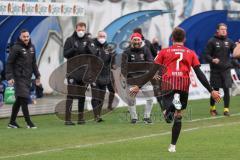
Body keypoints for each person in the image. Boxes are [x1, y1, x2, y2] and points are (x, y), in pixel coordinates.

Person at [130, 27, 221, 152]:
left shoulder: (164, 52)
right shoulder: (190, 53)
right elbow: (199, 73)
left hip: (168, 85)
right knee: (178, 115)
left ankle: (171, 106)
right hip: (183, 85)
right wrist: (211, 90)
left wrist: (138, 86)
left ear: (172, 38)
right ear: (184, 39)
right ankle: (173, 146)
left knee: (168, 117)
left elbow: (152, 71)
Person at [6, 29, 41, 129]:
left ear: (29, 37)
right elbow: (9, 63)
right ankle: (29, 123)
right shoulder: (16, 48)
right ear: (20, 37)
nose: (26, 38)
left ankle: (12, 122)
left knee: (19, 100)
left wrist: (37, 76)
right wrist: (9, 77)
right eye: (24, 37)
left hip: (27, 78)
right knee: (24, 98)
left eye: (27, 36)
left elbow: (33, 63)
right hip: (18, 77)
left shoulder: (32, 47)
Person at [63, 22, 96, 125]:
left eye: (82, 29)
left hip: (84, 73)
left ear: (85, 30)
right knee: (71, 94)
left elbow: (94, 54)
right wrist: (73, 49)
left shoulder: (89, 40)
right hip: (72, 72)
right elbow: (65, 54)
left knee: (82, 96)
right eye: (79, 29)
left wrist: (88, 49)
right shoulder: (70, 40)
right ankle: (67, 119)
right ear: (76, 29)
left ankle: (80, 118)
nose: (81, 31)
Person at [205, 23, 238, 116]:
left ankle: (226, 110)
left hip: (226, 70)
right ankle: (212, 108)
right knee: (215, 91)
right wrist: (212, 59)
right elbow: (206, 55)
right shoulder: (211, 41)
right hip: (215, 70)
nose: (224, 31)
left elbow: (235, 54)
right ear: (217, 30)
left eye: (225, 29)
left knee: (227, 90)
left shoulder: (230, 42)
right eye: (222, 29)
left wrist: (238, 46)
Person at [122, 32, 154, 124]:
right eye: (134, 39)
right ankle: (134, 118)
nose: (136, 41)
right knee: (131, 99)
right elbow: (123, 68)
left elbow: (150, 64)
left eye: (138, 40)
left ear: (141, 41)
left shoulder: (146, 50)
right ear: (131, 41)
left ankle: (147, 117)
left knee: (150, 98)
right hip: (132, 80)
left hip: (144, 79)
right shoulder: (126, 52)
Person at [91, 31, 116, 122]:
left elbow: (113, 61)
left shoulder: (109, 48)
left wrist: (113, 64)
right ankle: (96, 116)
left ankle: (99, 114)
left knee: (101, 97)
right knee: (95, 97)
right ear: (97, 37)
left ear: (106, 37)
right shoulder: (92, 46)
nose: (102, 38)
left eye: (103, 36)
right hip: (94, 75)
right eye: (100, 36)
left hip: (105, 75)